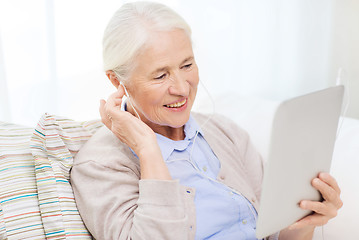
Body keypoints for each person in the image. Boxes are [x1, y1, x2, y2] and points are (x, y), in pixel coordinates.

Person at [70, 2, 343, 240]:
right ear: (117, 81)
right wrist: (147, 148)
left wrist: (304, 221)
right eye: (160, 75)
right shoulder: (99, 166)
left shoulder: (225, 132)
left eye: (187, 65)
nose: (182, 88)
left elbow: (274, 234)